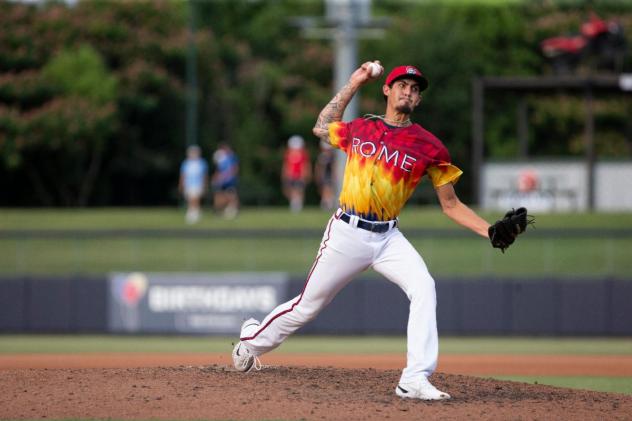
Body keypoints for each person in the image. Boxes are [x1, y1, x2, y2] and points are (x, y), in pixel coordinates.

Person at [232, 62, 508, 400]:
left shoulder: (430, 147)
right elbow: (321, 128)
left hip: (388, 237)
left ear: (418, 100)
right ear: (387, 90)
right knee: (307, 306)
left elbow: (450, 205)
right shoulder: (361, 128)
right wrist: (355, 81)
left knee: (424, 287)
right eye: (402, 85)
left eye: (415, 88)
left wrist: (489, 230)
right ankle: (250, 343)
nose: (409, 91)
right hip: (347, 231)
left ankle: (415, 378)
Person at [178, 144, 208, 224]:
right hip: (188, 184)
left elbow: (204, 175)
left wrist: (205, 185)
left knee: (195, 198)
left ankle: (194, 213)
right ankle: (193, 211)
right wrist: (181, 184)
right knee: (190, 198)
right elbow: (183, 175)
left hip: (198, 184)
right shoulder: (186, 163)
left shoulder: (202, 163)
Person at [281, 135, 311, 213]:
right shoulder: (288, 153)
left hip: (299, 175)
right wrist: (285, 174)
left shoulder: (303, 153)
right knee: (290, 190)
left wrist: (305, 174)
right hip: (291, 175)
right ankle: (295, 203)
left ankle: (297, 204)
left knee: (299, 190)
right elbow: (286, 165)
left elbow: (305, 165)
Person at [211, 143, 239, 219]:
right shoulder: (221, 158)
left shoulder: (232, 157)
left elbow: (234, 168)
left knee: (231, 195)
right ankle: (220, 211)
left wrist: (230, 176)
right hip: (221, 181)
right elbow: (219, 170)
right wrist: (215, 178)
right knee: (220, 195)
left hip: (229, 180)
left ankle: (232, 209)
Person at [314, 140, 337, 210]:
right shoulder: (322, 156)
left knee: (328, 189)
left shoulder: (331, 157)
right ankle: (326, 203)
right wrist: (318, 176)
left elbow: (333, 167)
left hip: (329, 175)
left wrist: (334, 176)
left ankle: (328, 203)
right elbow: (319, 168)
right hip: (324, 176)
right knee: (324, 189)